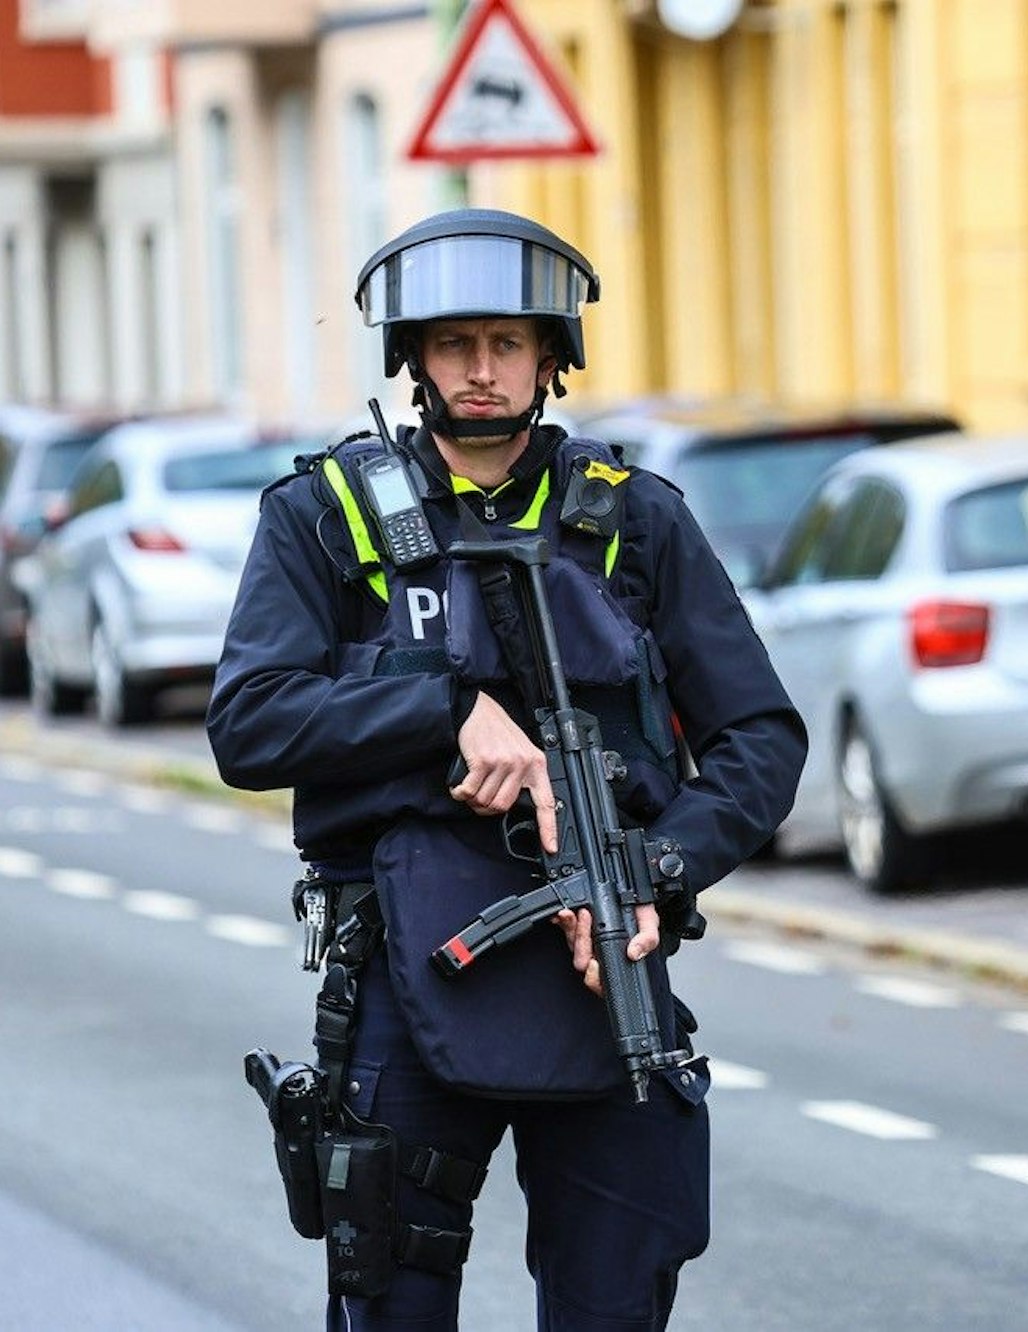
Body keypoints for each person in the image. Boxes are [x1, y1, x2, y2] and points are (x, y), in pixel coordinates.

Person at [208, 207, 808, 1331]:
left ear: (550, 356)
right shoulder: (323, 517)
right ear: (414, 357)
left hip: (605, 960)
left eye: (506, 344)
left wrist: (655, 867)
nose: (480, 372)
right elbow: (249, 724)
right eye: (453, 344)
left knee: (617, 1293)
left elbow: (760, 739)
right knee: (388, 1296)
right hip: (401, 963)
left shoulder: (636, 523)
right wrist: (442, 712)